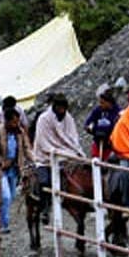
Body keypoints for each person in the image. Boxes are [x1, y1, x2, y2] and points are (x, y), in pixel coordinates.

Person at [32, 94, 85, 223]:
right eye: (59, 107)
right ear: (54, 106)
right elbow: (43, 141)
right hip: (45, 156)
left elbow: (73, 137)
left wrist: (73, 151)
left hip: (66, 152)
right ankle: (45, 207)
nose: (62, 110)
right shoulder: (44, 119)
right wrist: (57, 152)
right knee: (45, 181)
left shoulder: (68, 119)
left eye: (64, 108)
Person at [0, 107, 33, 233]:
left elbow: (26, 148)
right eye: (13, 122)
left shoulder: (20, 133)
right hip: (0, 169)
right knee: (5, 196)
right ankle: (3, 224)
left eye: (17, 121)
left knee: (10, 197)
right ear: (6, 121)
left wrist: (34, 159)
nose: (16, 124)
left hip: (15, 169)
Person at [84, 89, 120, 160]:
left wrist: (101, 129)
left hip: (111, 145)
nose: (100, 105)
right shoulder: (98, 110)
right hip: (98, 143)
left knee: (108, 164)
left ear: (109, 102)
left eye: (102, 103)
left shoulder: (117, 112)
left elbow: (115, 127)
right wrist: (93, 129)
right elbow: (87, 124)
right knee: (95, 163)